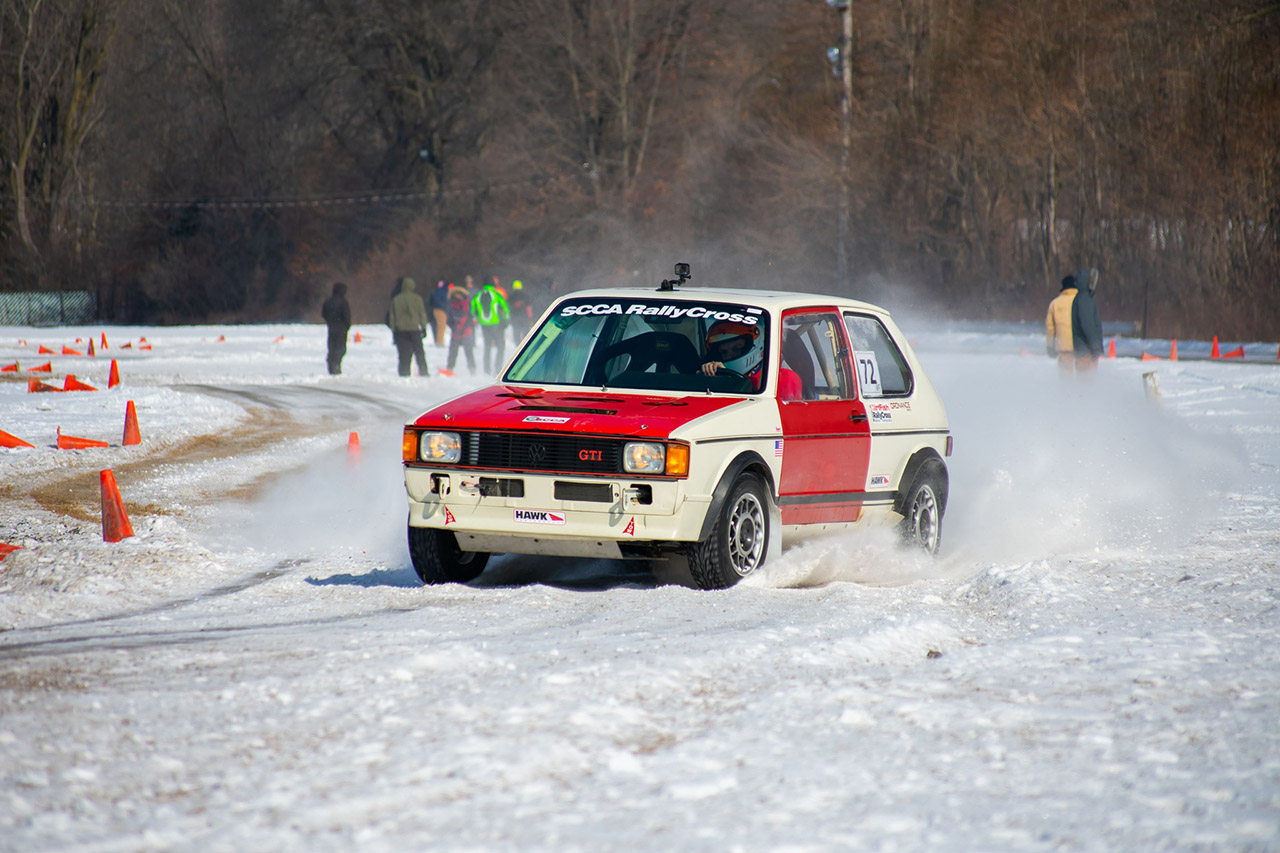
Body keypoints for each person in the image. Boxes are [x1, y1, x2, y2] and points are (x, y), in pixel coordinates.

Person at [699, 319, 764, 390]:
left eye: (737, 348)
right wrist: (710, 373)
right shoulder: (715, 373)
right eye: (723, 352)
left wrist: (729, 379)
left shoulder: (769, 374)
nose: (729, 356)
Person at [387, 276, 429, 377]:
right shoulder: (417, 299)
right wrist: (423, 327)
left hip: (400, 331)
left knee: (404, 354)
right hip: (414, 330)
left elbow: (392, 316)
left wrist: (394, 329)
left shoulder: (396, 299)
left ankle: (404, 373)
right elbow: (422, 314)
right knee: (419, 353)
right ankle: (423, 372)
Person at [471, 280, 511, 373]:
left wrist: (478, 318)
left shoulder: (478, 295)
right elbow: (505, 308)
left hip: (485, 325)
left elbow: (473, 309)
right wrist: (506, 319)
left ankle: (486, 370)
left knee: (487, 346)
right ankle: (497, 368)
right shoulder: (496, 294)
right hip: (497, 325)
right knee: (500, 346)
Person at [1071, 268, 1103, 372]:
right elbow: (1088, 326)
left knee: (1084, 384)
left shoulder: (1081, 298)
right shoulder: (1084, 301)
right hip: (1086, 352)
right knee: (1087, 384)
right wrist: (1095, 347)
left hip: (1083, 351)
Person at [1045, 275, 1079, 375]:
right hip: (1080, 345)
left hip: (1063, 346)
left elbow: (1050, 327)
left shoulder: (1055, 303)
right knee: (1082, 377)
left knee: (1065, 377)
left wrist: (1050, 345)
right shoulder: (1081, 301)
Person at [320, 281, 351, 375]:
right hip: (341, 329)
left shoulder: (328, 301)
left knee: (332, 348)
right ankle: (335, 366)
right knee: (341, 349)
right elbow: (346, 316)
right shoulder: (343, 302)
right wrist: (347, 326)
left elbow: (323, 314)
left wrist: (330, 322)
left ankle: (331, 366)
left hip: (331, 328)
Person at [446, 284, 477, 374]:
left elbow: (470, 317)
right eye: (456, 294)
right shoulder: (451, 306)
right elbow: (449, 320)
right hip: (456, 332)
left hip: (466, 332)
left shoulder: (467, 304)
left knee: (469, 352)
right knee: (453, 351)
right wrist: (454, 327)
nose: (458, 296)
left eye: (459, 294)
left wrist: (464, 327)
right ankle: (449, 369)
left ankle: (472, 369)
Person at [508, 280, 536, 345]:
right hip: (524, 318)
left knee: (516, 334)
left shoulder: (510, 297)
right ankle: (526, 347)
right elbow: (529, 308)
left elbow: (508, 308)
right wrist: (531, 318)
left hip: (515, 319)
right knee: (527, 335)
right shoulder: (525, 296)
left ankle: (518, 348)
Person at [429, 281, 450, 347]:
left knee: (440, 326)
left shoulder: (438, 290)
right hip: (440, 310)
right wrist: (445, 308)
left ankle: (439, 341)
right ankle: (440, 342)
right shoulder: (443, 291)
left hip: (437, 310)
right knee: (441, 326)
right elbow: (441, 301)